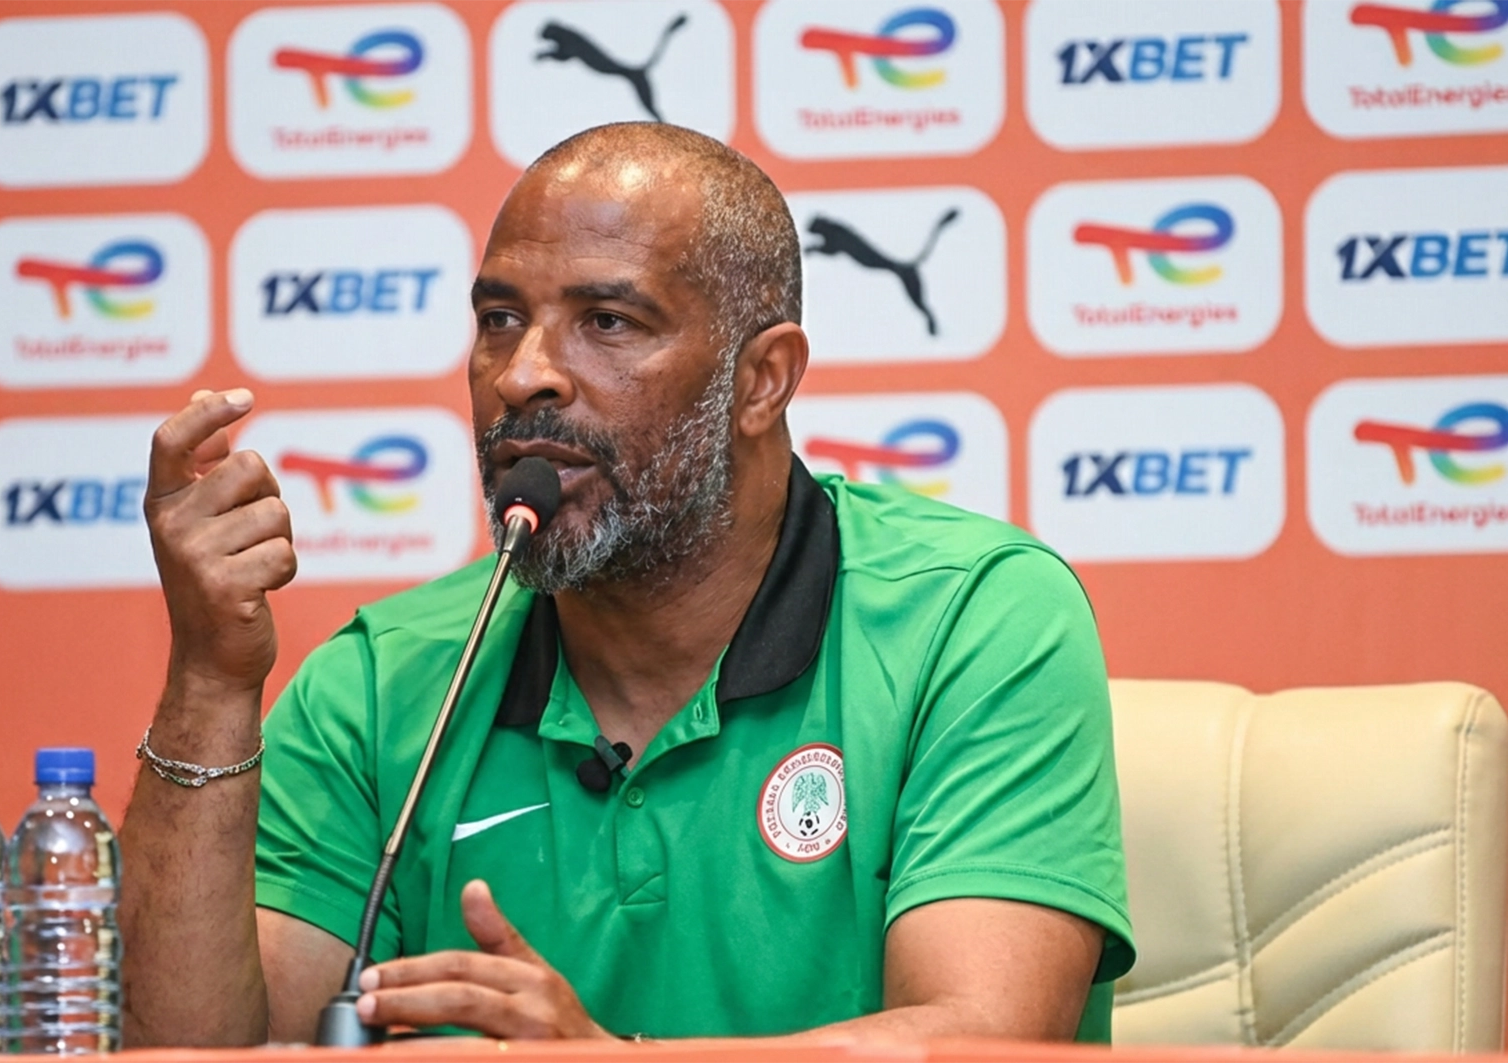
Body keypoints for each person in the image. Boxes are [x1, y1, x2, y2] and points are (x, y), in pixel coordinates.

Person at [118, 122, 1133, 1046]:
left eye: (606, 321)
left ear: (761, 380)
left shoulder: (973, 616)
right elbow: (190, 1054)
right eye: (500, 318)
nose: (522, 374)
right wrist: (209, 678)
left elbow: (983, 1039)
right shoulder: (386, 682)